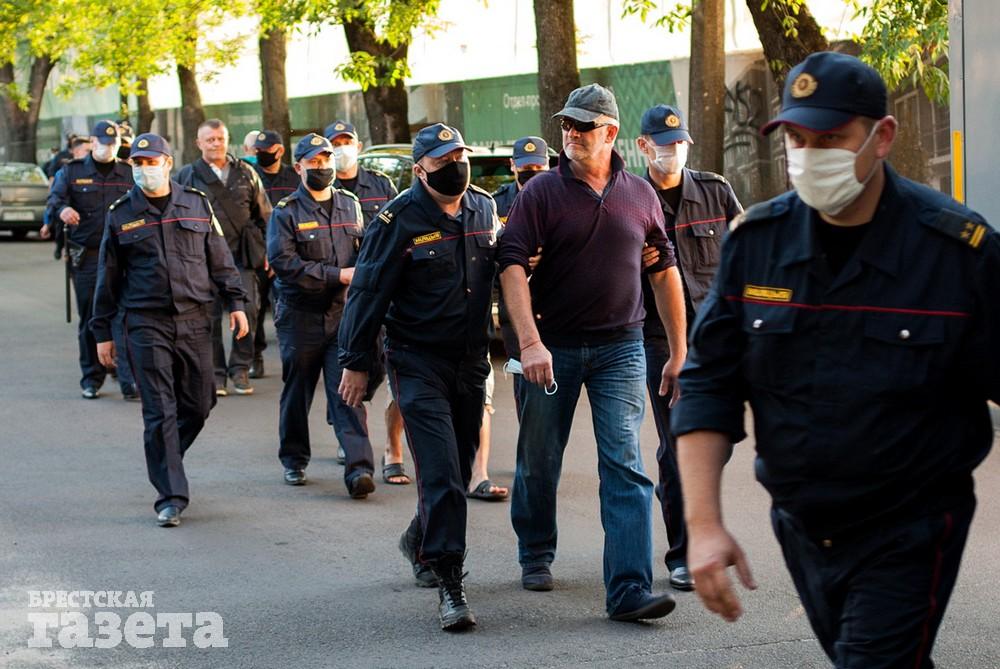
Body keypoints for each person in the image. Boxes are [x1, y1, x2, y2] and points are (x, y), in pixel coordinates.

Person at [672, 51, 1000, 668]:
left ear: (883, 136)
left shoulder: (956, 252)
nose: (808, 154)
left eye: (829, 138)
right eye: (796, 138)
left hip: (910, 525)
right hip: (802, 525)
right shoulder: (757, 245)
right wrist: (705, 524)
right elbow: (708, 385)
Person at [498, 83, 687, 622]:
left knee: (624, 464)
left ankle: (627, 589)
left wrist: (679, 349)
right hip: (551, 346)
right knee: (539, 458)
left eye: (582, 126)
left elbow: (663, 269)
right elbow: (510, 264)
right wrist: (530, 343)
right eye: (566, 125)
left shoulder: (640, 194)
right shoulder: (540, 194)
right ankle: (535, 549)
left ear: (610, 133)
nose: (571, 135)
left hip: (622, 347)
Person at [338, 123, 499, 631]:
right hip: (417, 360)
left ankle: (418, 538)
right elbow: (367, 292)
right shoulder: (396, 218)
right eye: (444, 160)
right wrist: (356, 361)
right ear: (420, 168)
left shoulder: (483, 208)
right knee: (442, 473)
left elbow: (502, 269)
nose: (456, 167)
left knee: (460, 459)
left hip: (472, 359)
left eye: (460, 156)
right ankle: (450, 583)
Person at [91, 133, 249, 527]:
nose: (145, 168)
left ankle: (166, 455)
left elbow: (220, 258)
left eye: (151, 161)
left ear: (166, 162)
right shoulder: (121, 213)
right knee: (159, 410)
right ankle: (171, 495)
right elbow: (106, 279)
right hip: (145, 322)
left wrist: (237, 303)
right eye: (138, 163)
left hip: (196, 320)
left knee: (200, 403)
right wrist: (102, 332)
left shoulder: (196, 205)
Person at [634, 104, 742, 591]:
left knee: (712, 442)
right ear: (643, 146)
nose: (672, 150)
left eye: (679, 142)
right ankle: (683, 551)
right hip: (658, 338)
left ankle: (701, 530)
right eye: (663, 142)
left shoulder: (716, 192)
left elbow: (745, 253)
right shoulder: (629, 197)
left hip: (715, 336)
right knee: (678, 442)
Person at [266, 133, 377, 498]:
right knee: (298, 390)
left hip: (342, 314)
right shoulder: (285, 212)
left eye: (326, 159)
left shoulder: (350, 204)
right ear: (298, 167)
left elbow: (363, 252)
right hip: (300, 316)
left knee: (347, 389)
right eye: (313, 162)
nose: (322, 167)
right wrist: (336, 275)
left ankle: (359, 467)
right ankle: (294, 459)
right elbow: (284, 264)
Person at [324, 119, 409, 483]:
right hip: (335, 297)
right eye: (334, 143)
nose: (341, 148)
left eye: (347, 141)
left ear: (358, 146)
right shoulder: (323, 188)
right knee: (346, 366)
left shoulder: (380, 185)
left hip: (380, 291)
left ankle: (345, 417)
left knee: (375, 367)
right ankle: (350, 436)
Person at [176, 119, 272, 396]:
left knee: (250, 310)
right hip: (202, 259)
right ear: (199, 143)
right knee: (209, 316)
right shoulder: (187, 176)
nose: (216, 144)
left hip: (242, 256)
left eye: (220, 138)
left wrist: (268, 250)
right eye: (210, 140)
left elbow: (264, 214)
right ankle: (216, 373)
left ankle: (240, 368)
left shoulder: (246, 172)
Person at [45, 120, 137, 400]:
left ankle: (127, 378)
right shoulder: (71, 172)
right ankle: (92, 377)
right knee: (92, 317)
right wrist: (62, 210)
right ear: (93, 143)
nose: (107, 148)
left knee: (126, 315)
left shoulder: (129, 173)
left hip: (124, 256)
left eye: (113, 143)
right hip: (88, 256)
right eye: (102, 143)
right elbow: (54, 200)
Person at [493, 136, 550, 417]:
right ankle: (530, 454)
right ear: (513, 166)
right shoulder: (496, 204)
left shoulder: (559, 198)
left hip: (554, 306)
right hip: (515, 311)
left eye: (538, 168)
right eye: (526, 167)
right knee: (526, 387)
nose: (532, 174)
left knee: (554, 392)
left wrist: (546, 258)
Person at [251, 129, 299, 379]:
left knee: (286, 307)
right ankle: (255, 356)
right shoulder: (251, 175)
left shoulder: (293, 177)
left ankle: (290, 357)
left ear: (280, 151)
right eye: (257, 152)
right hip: (258, 252)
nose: (261, 156)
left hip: (288, 253)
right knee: (255, 309)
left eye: (266, 152)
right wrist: (264, 251)